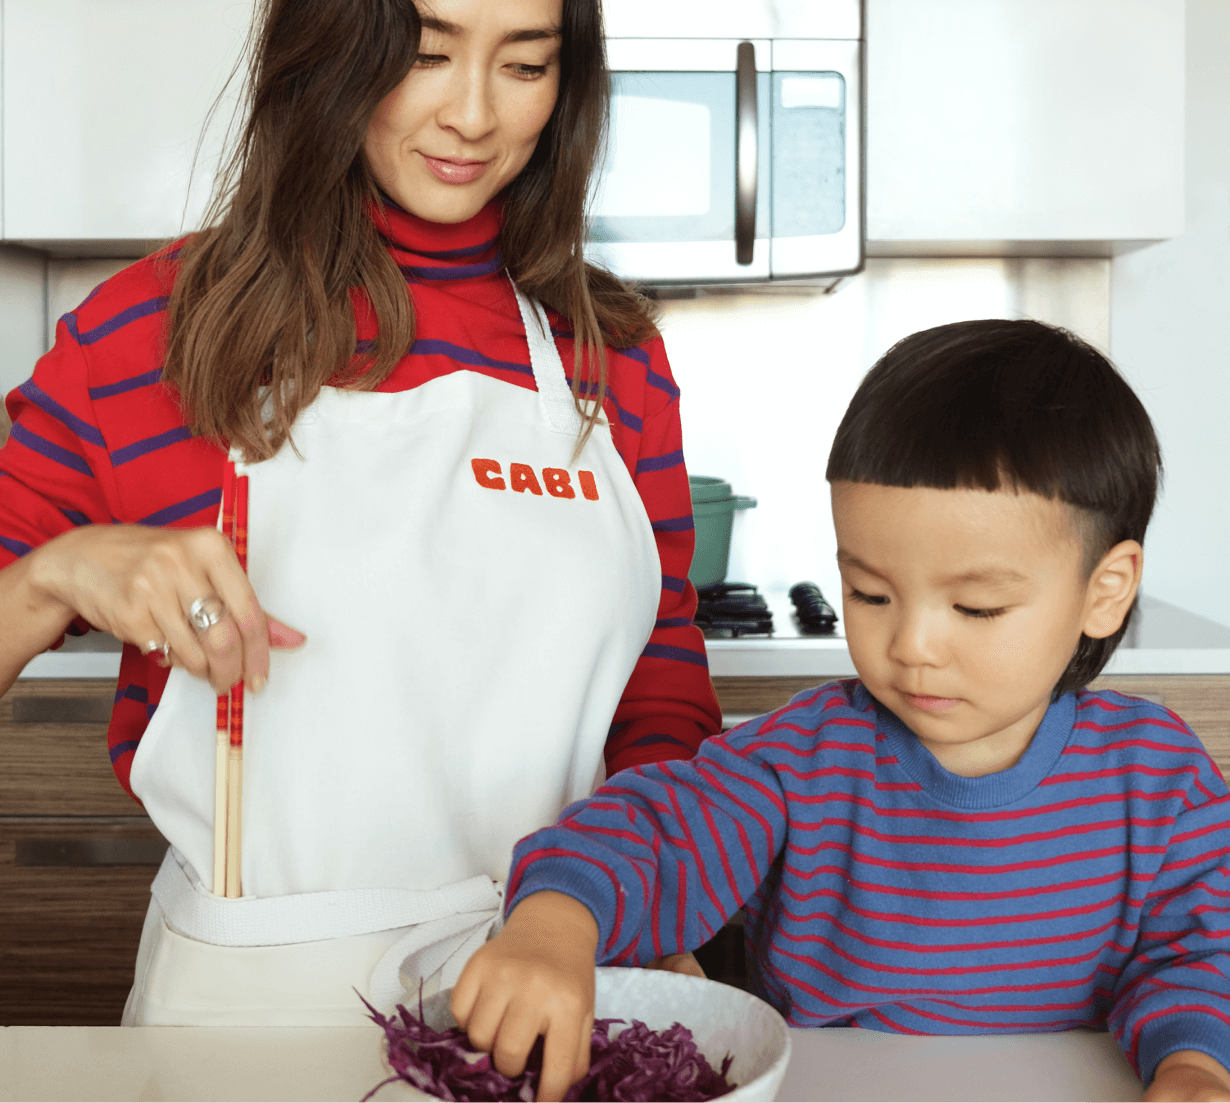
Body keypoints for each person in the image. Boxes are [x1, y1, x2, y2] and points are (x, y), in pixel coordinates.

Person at [0, 0, 720, 1025]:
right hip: (243, 1026)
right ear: (332, 48)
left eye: (524, 65)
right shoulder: (144, 337)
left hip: (535, 989)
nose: (473, 114)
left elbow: (660, 700)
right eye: (426, 53)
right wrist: (54, 572)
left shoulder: (614, 359)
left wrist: (645, 907)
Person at [453, 319, 1230, 1103]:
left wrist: (1196, 1064)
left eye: (977, 606)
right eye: (870, 593)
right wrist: (556, 921)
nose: (914, 644)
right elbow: (660, 831)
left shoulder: (1158, 779)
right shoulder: (801, 762)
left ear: (1106, 590)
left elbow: (1203, 953)